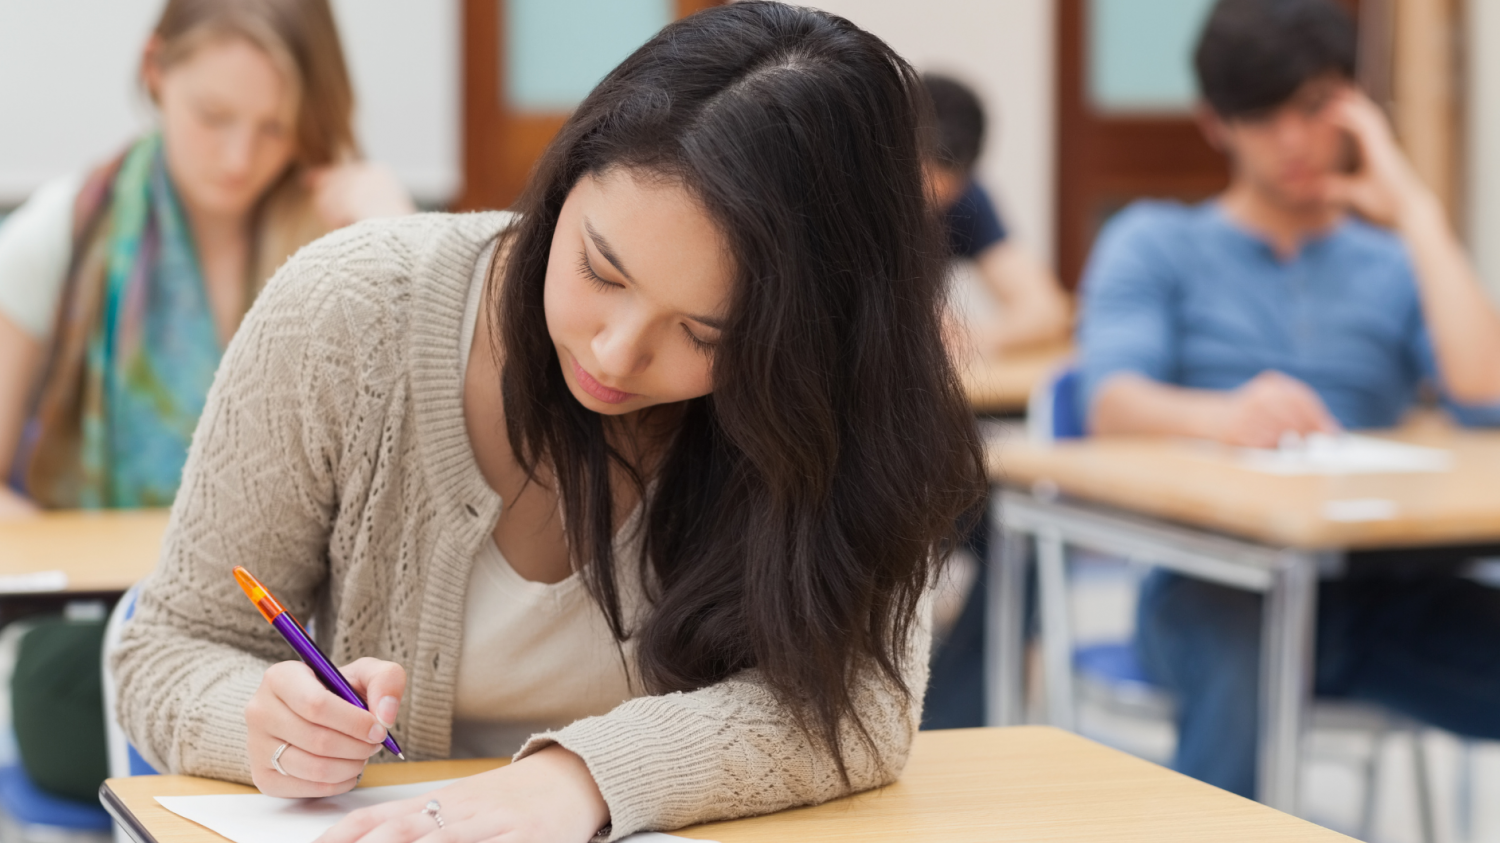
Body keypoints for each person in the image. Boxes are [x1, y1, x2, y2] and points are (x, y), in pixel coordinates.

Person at [112, 4, 987, 841]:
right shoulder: (351, 310)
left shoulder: (845, 403)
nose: (613, 354)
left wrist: (584, 778)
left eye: (705, 333)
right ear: (566, 178)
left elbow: (863, 707)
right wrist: (263, 723)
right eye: (600, 271)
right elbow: (169, 649)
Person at [1077, 0, 1500, 799]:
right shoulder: (1158, 239)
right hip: (1216, 583)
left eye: (1316, 107)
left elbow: (1484, 392)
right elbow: (1111, 401)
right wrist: (1220, 416)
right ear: (1216, 124)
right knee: (1246, 647)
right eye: (1263, 117)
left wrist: (1414, 207)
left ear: (1355, 103)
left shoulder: (1393, 259)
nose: (1295, 141)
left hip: (1379, 589)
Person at [0, 0, 414, 517]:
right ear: (155, 70)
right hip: (111, 593)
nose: (238, 160)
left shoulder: (349, 237)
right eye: (213, 116)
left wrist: (403, 249)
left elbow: (421, 481)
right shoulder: (62, 236)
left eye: (274, 128)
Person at [922, 73, 1070, 357]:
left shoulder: (965, 203)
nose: (927, 204)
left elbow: (1047, 311)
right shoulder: (850, 196)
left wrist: (964, 336)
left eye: (942, 194)